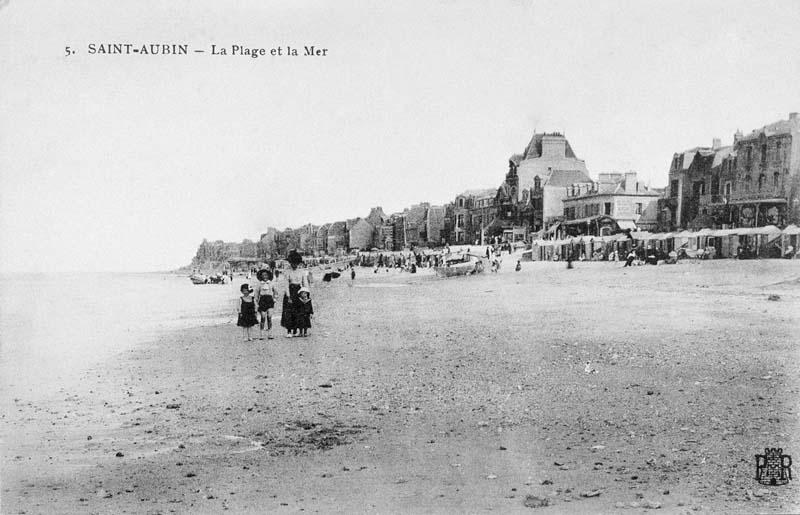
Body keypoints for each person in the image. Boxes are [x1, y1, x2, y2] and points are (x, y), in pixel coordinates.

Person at [281, 250, 309, 338]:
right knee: (289, 311)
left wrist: (306, 293)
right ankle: (289, 330)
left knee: (298, 311)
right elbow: (286, 284)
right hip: (290, 290)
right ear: (290, 263)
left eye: (296, 263)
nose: (294, 265)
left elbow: (305, 283)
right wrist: (288, 296)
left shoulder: (301, 272)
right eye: (293, 263)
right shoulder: (287, 271)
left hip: (299, 291)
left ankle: (296, 330)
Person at [254, 270, 277, 340]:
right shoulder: (259, 284)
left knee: (269, 317)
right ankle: (261, 334)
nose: (265, 277)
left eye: (266, 275)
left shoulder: (271, 283)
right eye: (263, 275)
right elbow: (256, 294)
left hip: (270, 300)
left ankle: (270, 334)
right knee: (263, 317)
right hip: (262, 301)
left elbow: (275, 292)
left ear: (269, 276)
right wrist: (256, 302)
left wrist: (275, 298)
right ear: (261, 276)